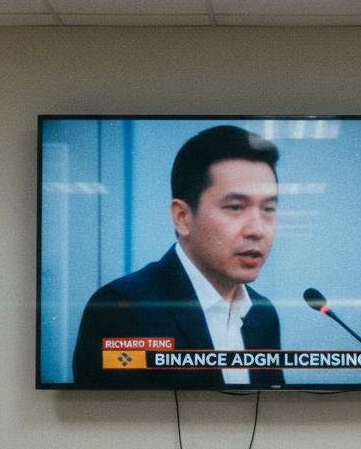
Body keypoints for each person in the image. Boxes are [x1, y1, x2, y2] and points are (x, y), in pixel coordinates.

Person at [72, 125, 284, 389]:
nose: (257, 230)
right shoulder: (122, 310)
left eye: (269, 209)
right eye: (235, 207)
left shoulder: (263, 314)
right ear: (182, 217)